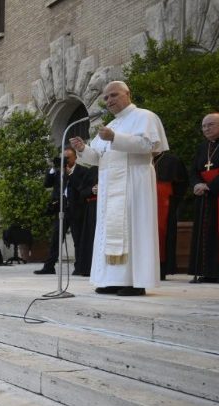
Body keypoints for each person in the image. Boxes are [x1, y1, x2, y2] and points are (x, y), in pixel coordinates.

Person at [70, 81, 167, 296]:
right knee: (109, 233)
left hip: (134, 180)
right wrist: (83, 148)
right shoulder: (111, 125)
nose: (109, 100)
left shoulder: (145, 116)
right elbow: (96, 157)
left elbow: (151, 146)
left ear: (127, 94)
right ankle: (113, 279)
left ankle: (136, 281)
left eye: (113, 95)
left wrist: (115, 138)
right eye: (105, 98)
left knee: (134, 229)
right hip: (110, 185)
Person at [35, 149, 91, 275]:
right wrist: (53, 169)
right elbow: (47, 184)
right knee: (56, 239)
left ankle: (80, 267)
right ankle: (49, 266)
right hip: (61, 209)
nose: (65, 160)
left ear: (75, 158)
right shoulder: (58, 171)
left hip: (76, 209)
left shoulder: (82, 171)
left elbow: (82, 188)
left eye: (68, 158)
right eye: (63, 158)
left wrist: (70, 174)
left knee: (78, 240)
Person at [188, 113, 219, 282]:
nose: (206, 129)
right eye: (204, 126)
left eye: (210, 125)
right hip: (206, 197)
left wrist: (210, 186)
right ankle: (209, 272)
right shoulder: (203, 147)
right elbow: (194, 170)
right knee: (206, 234)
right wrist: (197, 184)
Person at [153, 150, 189, 279]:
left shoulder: (172, 160)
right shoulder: (139, 158)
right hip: (144, 201)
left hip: (164, 203)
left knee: (162, 233)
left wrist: (173, 202)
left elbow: (181, 185)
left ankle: (162, 269)